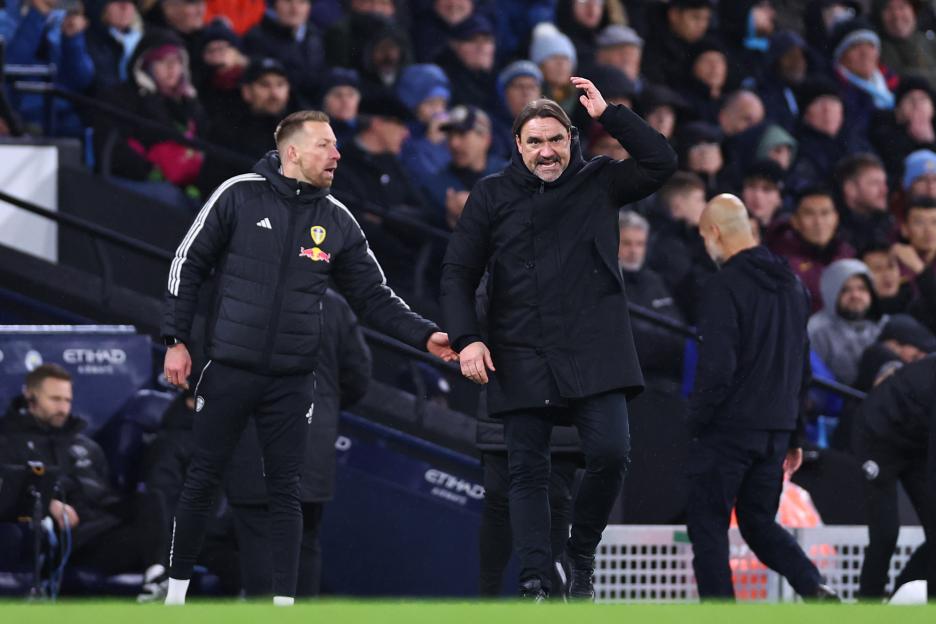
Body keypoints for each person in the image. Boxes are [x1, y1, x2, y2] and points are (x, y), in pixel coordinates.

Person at [160, 109, 456, 606]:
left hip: (293, 381)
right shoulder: (237, 193)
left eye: (337, 145)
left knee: (286, 492)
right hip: (229, 367)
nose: (337, 154)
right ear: (292, 151)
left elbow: (375, 297)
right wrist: (175, 340)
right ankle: (174, 596)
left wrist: (425, 336)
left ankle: (283, 607)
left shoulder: (337, 219)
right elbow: (187, 264)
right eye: (325, 144)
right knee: (202, 479)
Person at [440, 78, 677, 599]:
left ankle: (581, 550)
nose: (546, 151)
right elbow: (457, 272)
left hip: (595, 350)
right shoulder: (491, 195)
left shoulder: (601, 181)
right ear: (517, 146)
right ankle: (535, 579)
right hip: (518, 347)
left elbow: (661, 162)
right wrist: (467, 338)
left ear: (571, 138)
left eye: (555, 139)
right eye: (534, 142)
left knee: (612, 453)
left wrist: (610, 114)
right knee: (525, 470)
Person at [686, 194, 837, 601]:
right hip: (775, 431)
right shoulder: (792, 284)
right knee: (757, 522)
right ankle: (814, 585)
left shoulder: (722, 285)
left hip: (729, 430)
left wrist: (693, 422)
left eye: (704, 238)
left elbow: (717, 368)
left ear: (715, 233)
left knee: (708, 526)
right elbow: (802, 367)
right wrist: (795, 436)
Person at [226, 289, 372, 597]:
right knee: (303, 548)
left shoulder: (242, 291)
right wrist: (324, 408)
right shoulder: (334, 304)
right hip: (309, 451)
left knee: (261, 552)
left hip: (256, 450)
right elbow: (358, 377)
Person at [0, 364, 169, 600]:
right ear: (30, 396)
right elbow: (7, 492)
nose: (63, 408)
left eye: (67, 400)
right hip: (70, 543)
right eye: (55, 399)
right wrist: (47, 502)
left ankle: (157, 579)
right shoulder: (7, 442)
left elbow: (106, 496)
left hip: (106, 532)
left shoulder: (86, 446)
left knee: (154, 502)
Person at [855, 354, 936, 600]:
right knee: (885, 533)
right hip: (877, 434)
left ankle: (904, 596)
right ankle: (867, 612)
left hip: (915, 442)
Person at [618, 211, 685, 387]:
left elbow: (678, 333)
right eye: (627, 243)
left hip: (662, 383)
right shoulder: (605, 283)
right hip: (626, 384)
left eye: (640, 244)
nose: (634, 251)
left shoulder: (654, 281)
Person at [767, 186, 855, 312]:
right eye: (809, 214)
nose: (818, 222)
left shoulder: (849, 256)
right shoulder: (779, 262)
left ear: (836, 218)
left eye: (825, 213)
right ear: (795, 221)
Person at [808, 259, 889, 385]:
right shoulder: (816, 330)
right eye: (845, 290)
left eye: (862, 288)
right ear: (831, 293)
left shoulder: (883, 323)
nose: (855, 295)